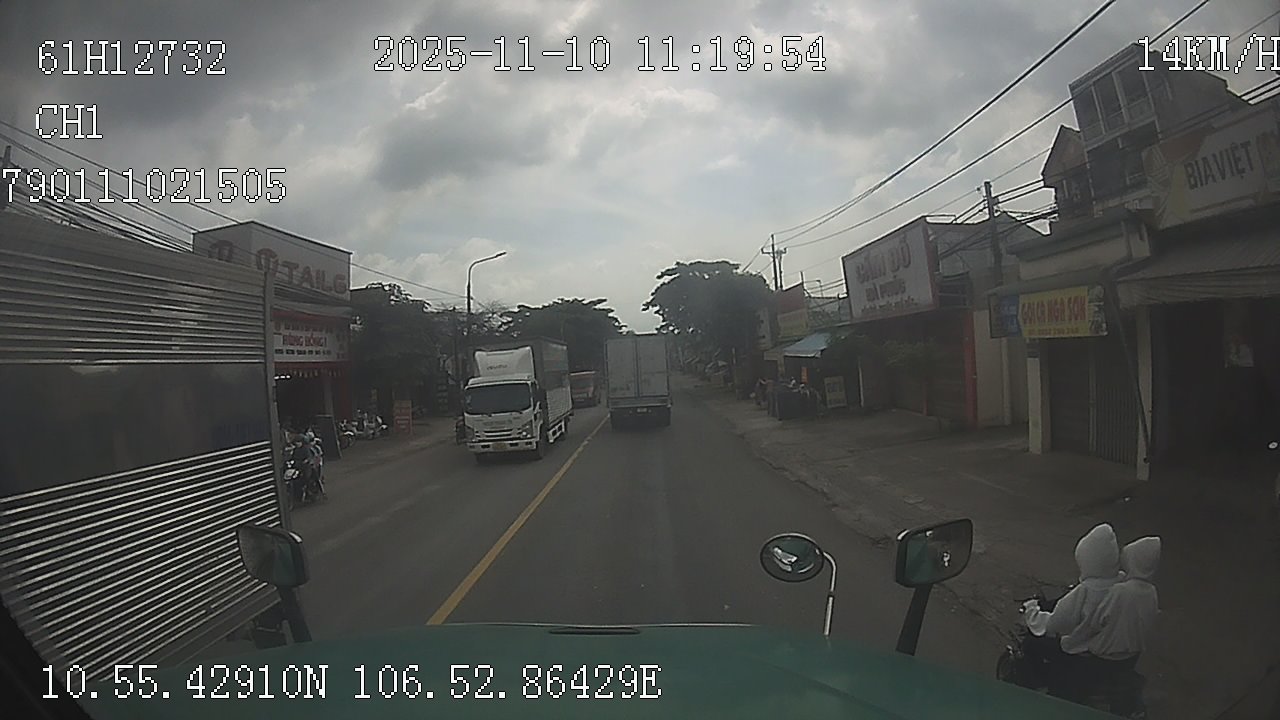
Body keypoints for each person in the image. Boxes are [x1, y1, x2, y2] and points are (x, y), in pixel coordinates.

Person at [1021, 522, 1123, 700]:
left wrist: (1031, 612)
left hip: (1080, 652)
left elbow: (1054, 624)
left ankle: (1037, 685)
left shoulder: (1086, 591)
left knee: (1031, 645)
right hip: (1109, 652)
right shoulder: (1122, 584)